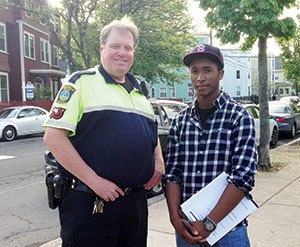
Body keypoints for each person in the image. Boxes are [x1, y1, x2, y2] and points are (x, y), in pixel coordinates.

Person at [43, 16, 164, 247]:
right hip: (91, 203)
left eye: (128, 48)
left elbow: (151, 132)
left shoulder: (140, 92)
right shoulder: (80, 83)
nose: (122, 52)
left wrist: (158, 160)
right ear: (102, 49)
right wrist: (95, 181)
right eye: (115, 46)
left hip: (135, 206)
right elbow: (53, 137)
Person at [164, 44, 257, 247]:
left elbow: (243, 178)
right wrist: (174, 219)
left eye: (207, 70)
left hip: (229, 233)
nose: (200, 77)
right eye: (194, 71)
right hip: (187, 231)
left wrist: (209, 224)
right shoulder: (180, 121)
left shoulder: (239, 117)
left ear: (220, 74)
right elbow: (172, 174)